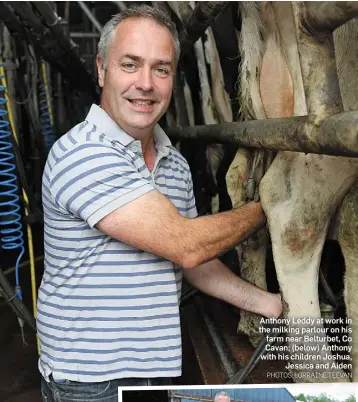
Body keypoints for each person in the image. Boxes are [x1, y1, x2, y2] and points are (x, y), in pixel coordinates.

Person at [38, 5, 282, 402]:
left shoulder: (174, 163)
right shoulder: (82, 153)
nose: (146, 84)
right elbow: (186, 246)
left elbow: (195, 265)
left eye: (161, 69)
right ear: (102, 70)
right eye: (130, 65)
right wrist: (271, 203)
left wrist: (268, 304)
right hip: (90, 384)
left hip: (155, 373)